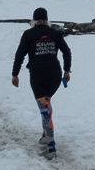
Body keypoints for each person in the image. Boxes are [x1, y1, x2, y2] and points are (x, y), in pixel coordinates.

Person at [11, 8, 71, 158]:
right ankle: (45, 136)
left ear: (34, 19)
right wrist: (67, 71)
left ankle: (51, 148)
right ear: (46, 19)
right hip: (55, 75)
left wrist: (15, 74)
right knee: (46, 103)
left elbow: (19, 55)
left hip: (38, 75)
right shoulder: (55, 33)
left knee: (45, 109)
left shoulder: (28, 34)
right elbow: (66, 51)